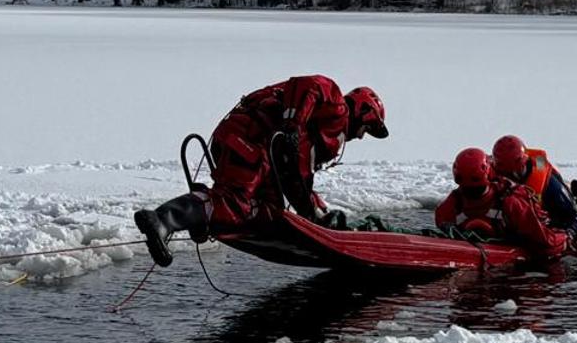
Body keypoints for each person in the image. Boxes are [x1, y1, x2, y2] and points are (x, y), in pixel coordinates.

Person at [134, 76, 388, 267]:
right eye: (369, 127)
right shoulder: (335, 105)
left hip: (250, 145)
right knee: (235, 202)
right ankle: (164, 219)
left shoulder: (321, 132)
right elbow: (307, 86)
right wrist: (292, 122)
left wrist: (313, 214)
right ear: (363, 112)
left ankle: (203, 217)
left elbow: (299, 176)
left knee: (268, 211)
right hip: (249, 139)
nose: (363, 136)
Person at [434, 148, 567, 259]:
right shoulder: (454, 202)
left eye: (475, 189)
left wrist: (566, 237)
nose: (469, 193)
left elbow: (546, 241)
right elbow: (442, 221)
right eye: (465, 188)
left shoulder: (510, 203)